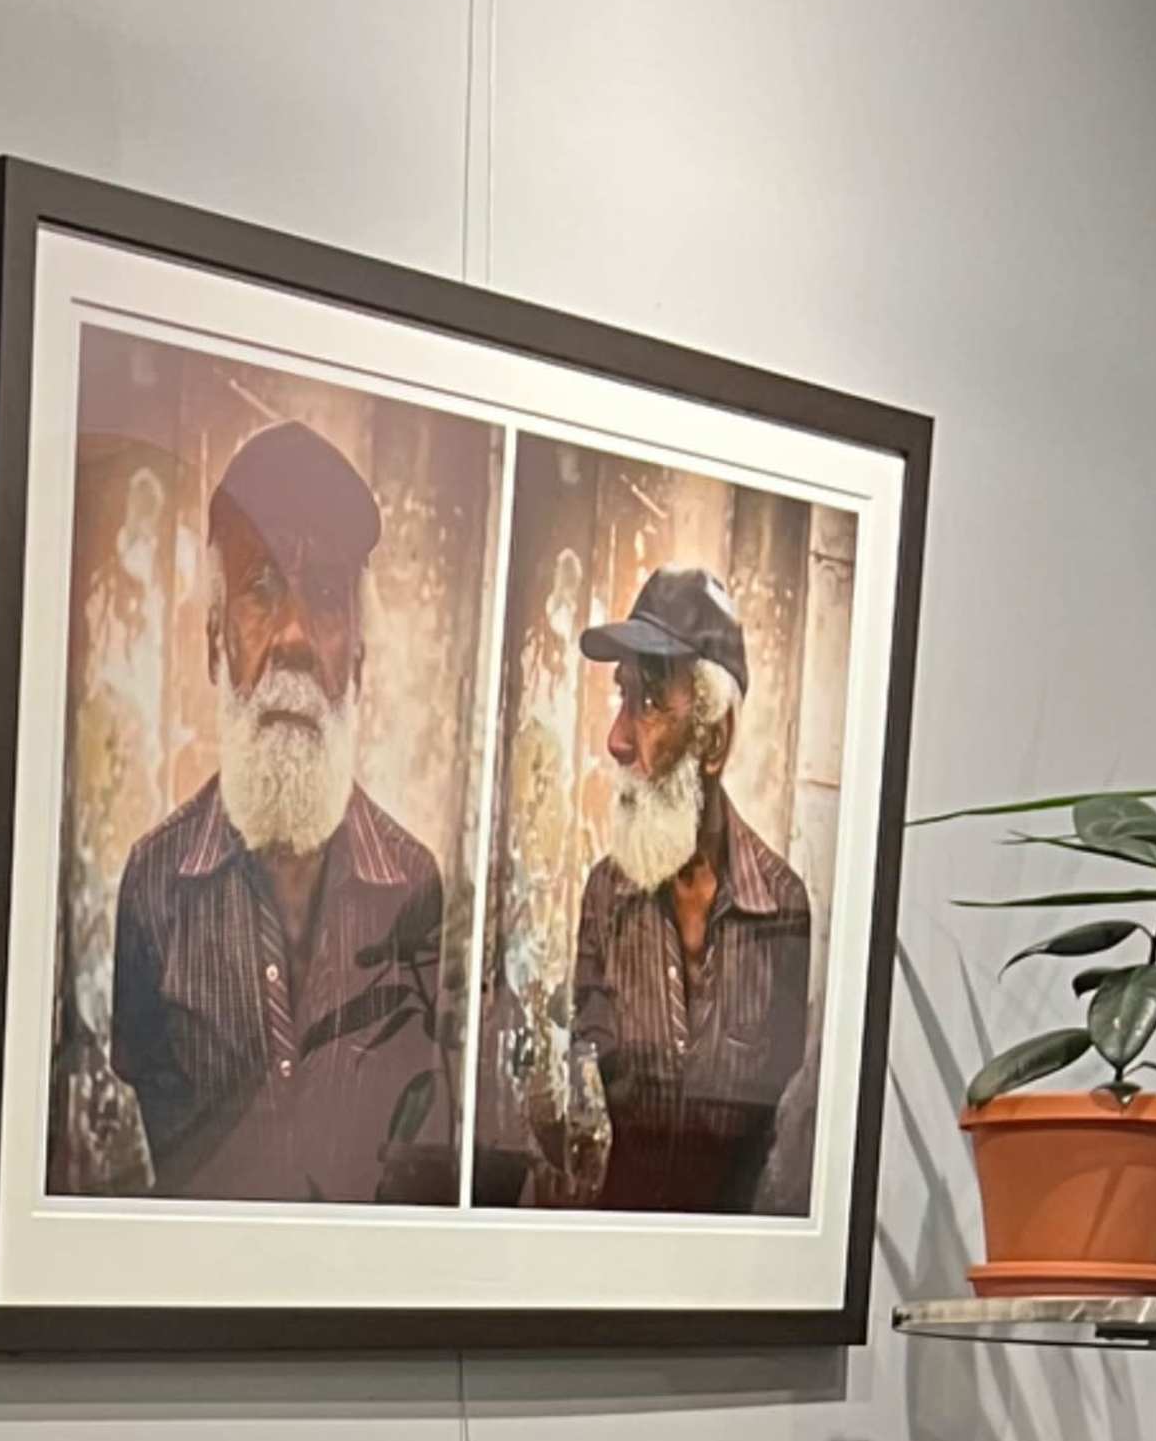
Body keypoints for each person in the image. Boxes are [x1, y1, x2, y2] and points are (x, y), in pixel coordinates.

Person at [104, 416, 451, 1200]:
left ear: (357, 650)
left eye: (325, 596)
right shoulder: (154, 885)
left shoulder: (414, 885)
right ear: (214, 636)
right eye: (263, 589)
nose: (294, 635)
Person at [515, 564, 816, 1213]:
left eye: (649, 701)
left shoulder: (783, 906)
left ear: (715, 738)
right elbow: (581, 1105)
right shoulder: (606, 897)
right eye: (623, 696)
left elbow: (784, 1141)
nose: (617, 738)